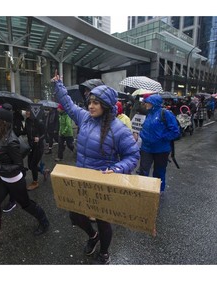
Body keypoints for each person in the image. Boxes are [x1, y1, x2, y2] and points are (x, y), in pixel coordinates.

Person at [52, 74, 140, 265]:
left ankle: (104, 252)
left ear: (106, 105)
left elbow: (133, 156)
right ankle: (92, 236)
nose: (91, 106)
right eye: (90, 101)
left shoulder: (118, 129)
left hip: (103, 183)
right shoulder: (84, 118)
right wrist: (58, 85)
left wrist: (117, 169)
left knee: (103, 221)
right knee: (75, 215)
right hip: (82, 180)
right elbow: (68, 105)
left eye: (96, 103)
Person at [0, 108, 49, 253]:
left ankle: (44, 221)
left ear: (2, 122)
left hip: (15, 180)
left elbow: (18, 166)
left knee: (26, 204)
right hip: (2, 178)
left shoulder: (11, 140)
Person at [137, 94, 180, 194]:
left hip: (161, 149)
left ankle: (158, 191)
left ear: (153, 103)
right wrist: (142, 134)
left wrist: (161, 138)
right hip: (146, 148)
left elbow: (175, 132)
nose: (145, 104)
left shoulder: (165, 114)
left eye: (147, 102)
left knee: (159, 171)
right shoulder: (149, 113)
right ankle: (142, 190)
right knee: (143, 170)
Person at [24, 107, 45, 191]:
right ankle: (43, 171)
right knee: (30, 165)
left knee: (33, 165)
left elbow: (45, 134)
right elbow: (27, 132)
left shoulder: (39, 122)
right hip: (31, 146)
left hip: (38, 147)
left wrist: (39, 138)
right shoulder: (27, 121)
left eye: (28, 111)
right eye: (26, 111)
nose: (26, 112)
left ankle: (35, 182)